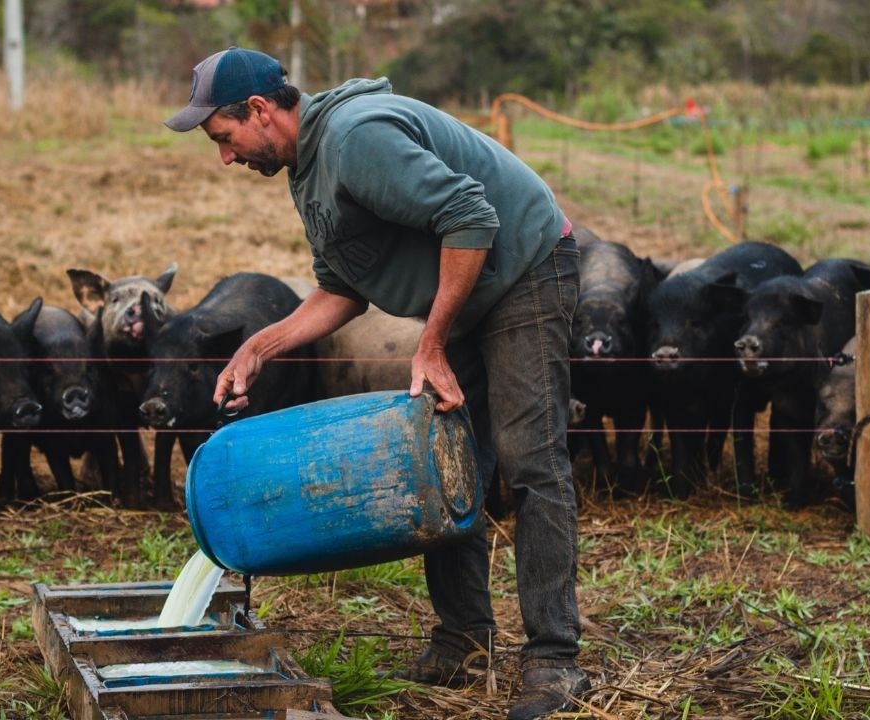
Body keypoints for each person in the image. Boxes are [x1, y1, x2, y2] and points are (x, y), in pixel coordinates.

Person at [165, 46, 589, 720]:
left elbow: (471, 218)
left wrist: (431, 342)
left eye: (223, 137)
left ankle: (555, 663)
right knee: (445, 459)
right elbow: (344, 291)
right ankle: (464, 641)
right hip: (470, 284)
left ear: (259, 110)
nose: (224, 156)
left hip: (523, 269)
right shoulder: (306, 171)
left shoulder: (357, 139)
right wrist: (261, 344)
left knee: (529, 458)